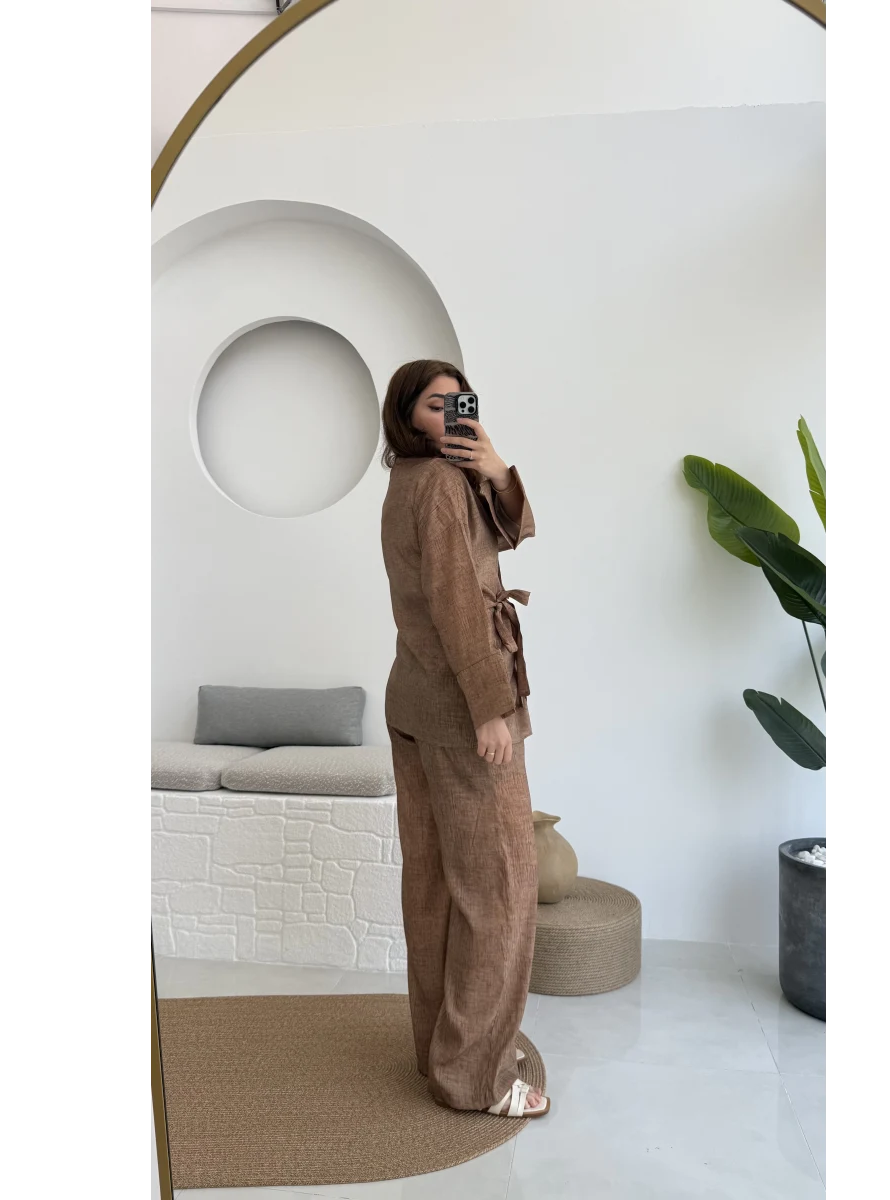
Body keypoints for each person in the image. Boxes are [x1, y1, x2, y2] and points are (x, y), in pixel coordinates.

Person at [379, 359, 550, 1119]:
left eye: (460, 401)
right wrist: (490, 709)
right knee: (500, 888)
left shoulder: (414, 481)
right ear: (406, 416)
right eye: (433, 404)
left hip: (414, 697)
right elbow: (456, 603)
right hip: (459, 708)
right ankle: (478, 1078)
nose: (451, 412)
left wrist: (497, 467)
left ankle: (439, 1054)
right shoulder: (443, 488)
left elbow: (513, 533)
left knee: (436, 887)